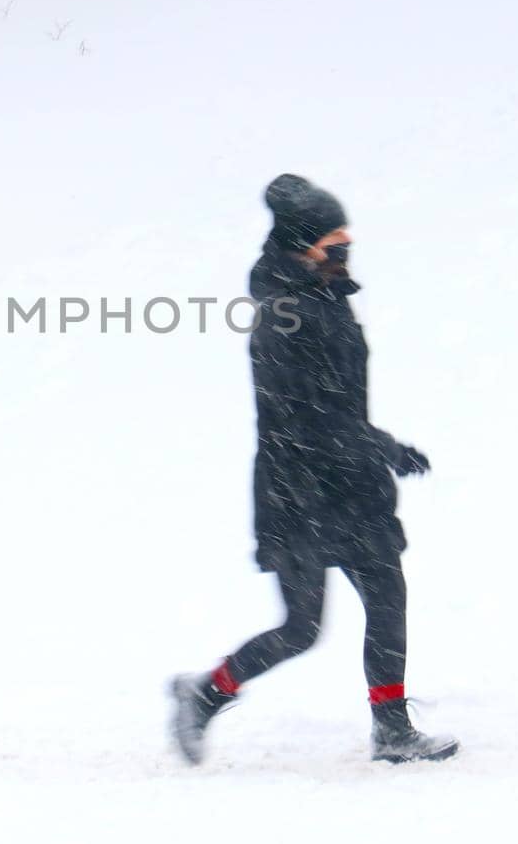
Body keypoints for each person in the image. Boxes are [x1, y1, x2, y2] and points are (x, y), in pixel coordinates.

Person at [169, 174, 459, 765]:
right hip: (298, 489)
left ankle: (392, 729)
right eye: (334, 237)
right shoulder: (284, 316)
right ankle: (204, 693)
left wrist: (373, 448)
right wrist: (385, 447)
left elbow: (339, 406)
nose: (346, 243)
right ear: (304, 245)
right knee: (301, 627)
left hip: (349, 480)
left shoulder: (326, 295)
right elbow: (312, 417)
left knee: (386, 597)